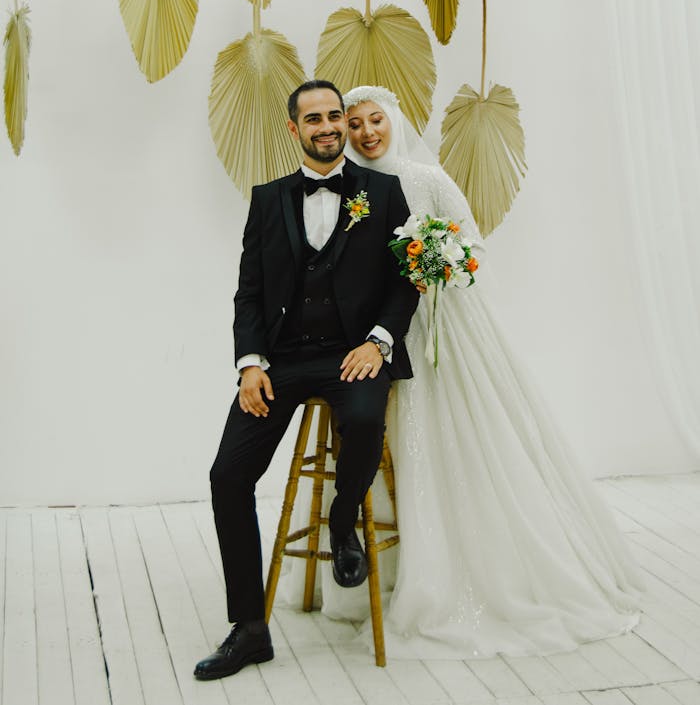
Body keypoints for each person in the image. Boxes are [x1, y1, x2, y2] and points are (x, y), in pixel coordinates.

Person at [334, 84, 644, 658]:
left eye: (375, 120)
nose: (366, 132)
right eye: (355, 125)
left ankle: (483, 563)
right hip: (382, 333)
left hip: (441, 323)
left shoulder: (424, 179)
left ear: (394, 122)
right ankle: (382, 563)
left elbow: (469, 239)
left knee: (466, 433)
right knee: (386, 440)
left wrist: (434, 258)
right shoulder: (349, 189)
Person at [193, 80, 419, 681]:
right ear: (294, 129)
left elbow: (406, 281)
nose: (327, 126)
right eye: (313, 118)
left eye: (335, 116)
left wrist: (379, 341)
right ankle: (249, 628)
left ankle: (343, 523)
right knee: (228, 476)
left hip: (356, 354)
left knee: (367, 418)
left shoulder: (384, 191)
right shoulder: (267, 199)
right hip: (283, 362)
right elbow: (250, 291)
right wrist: (250, 363)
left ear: (345, 123)